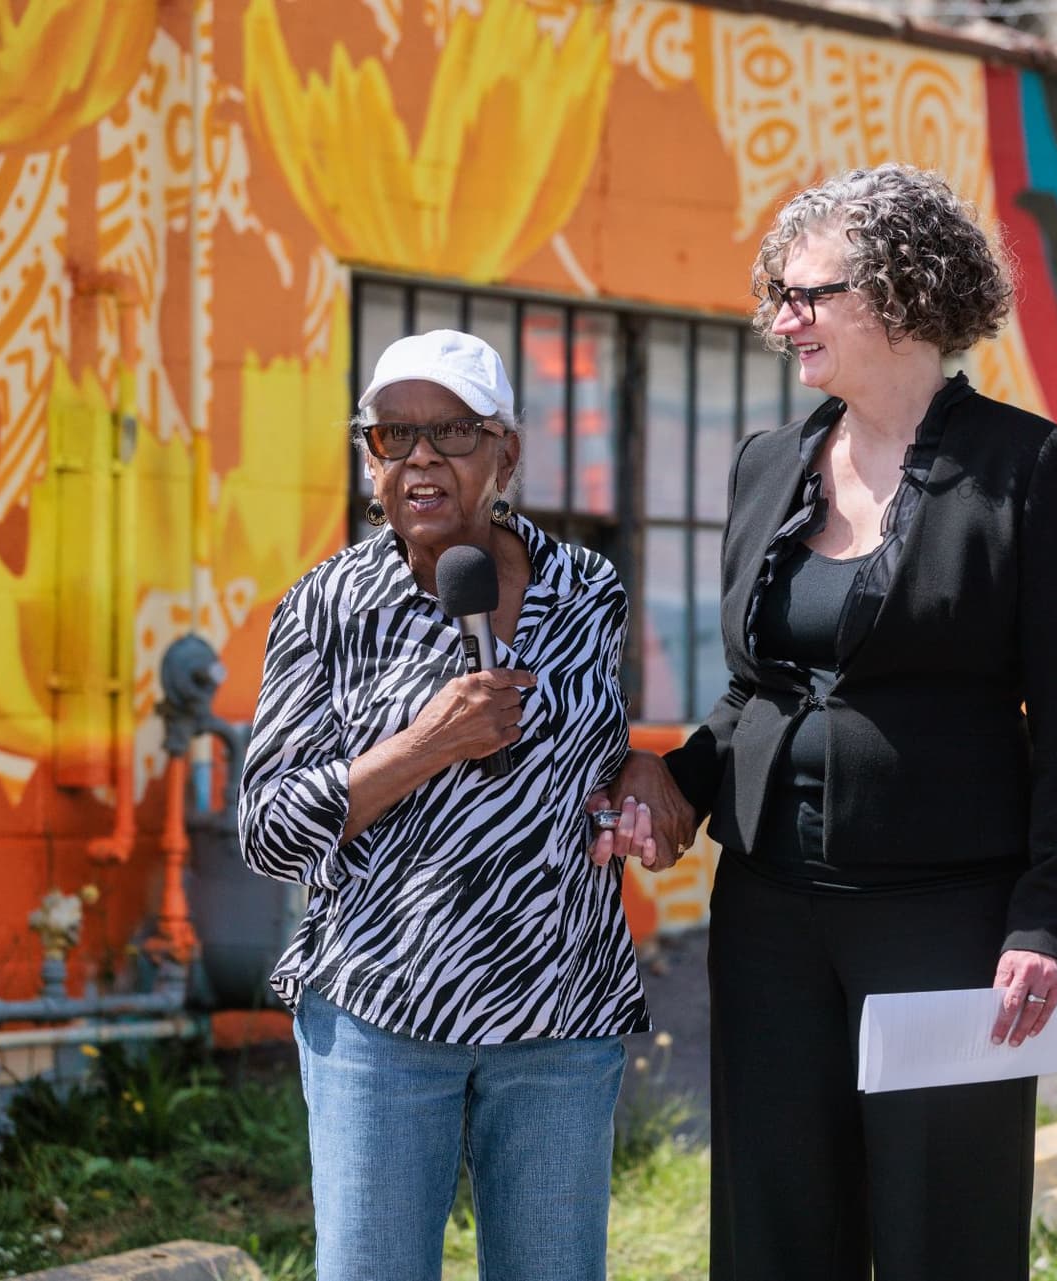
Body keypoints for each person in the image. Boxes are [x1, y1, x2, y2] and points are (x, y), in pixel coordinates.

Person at [630, 163, 1057, 1280]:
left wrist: (1049, 923)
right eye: (778, 295)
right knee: (775, 1231)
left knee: (945, 1234)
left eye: (809, 294)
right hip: (767, 911)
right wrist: (678, 783)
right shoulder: (767, 466)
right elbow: (755, 689)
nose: (781, 319)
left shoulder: (1029, 468)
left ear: (902, 294)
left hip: (944, 920)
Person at [238, 330, 668, 1281]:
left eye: (453, 431)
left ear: (506, 452)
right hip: (384, 1017)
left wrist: (635, 777)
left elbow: (586, 756)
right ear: (370, 460)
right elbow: (268, 830)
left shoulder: (587, 589)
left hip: (560, 1014)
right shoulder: (326, 607)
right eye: (393, 435)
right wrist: (424, 745)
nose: (421, 456)